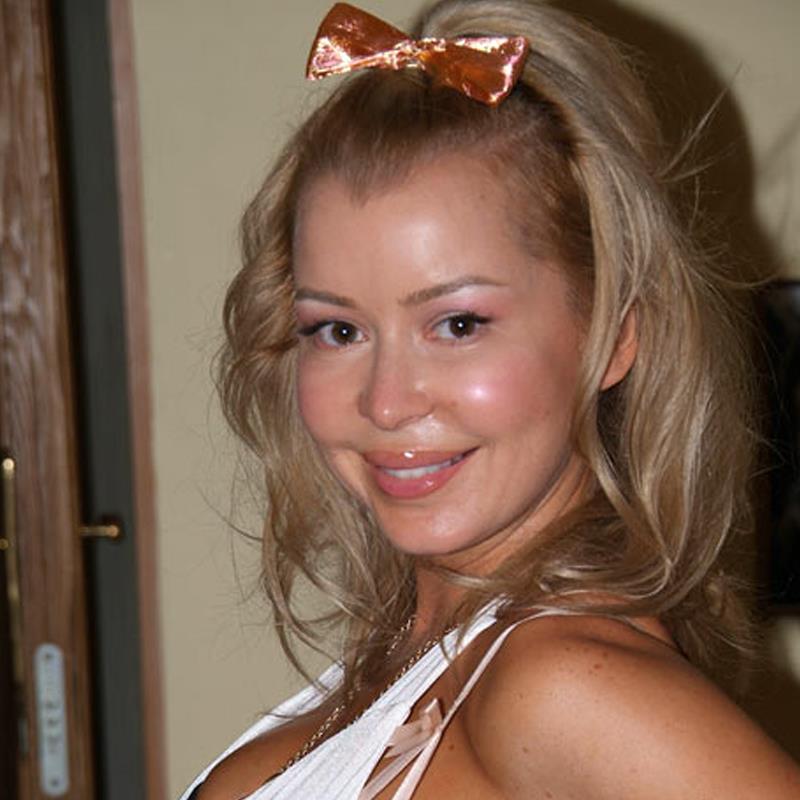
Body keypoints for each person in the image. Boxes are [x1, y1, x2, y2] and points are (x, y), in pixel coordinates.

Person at [182, 1, 800, 797]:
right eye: (338, 330)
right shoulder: (429, 657)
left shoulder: (567, 686)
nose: (386, 403)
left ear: (615, 334)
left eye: (458, 324)